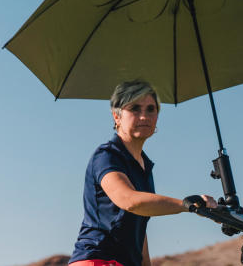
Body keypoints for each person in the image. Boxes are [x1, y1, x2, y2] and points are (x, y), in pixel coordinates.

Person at [68, 80, 218, 266]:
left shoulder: (145, 167)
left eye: (150, 109)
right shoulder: (107, 156)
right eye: (135, 109)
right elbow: (129, 201)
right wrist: (186, 205)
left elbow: (138, 223)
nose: (144, 116)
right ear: (117, 116)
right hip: (98, 259)